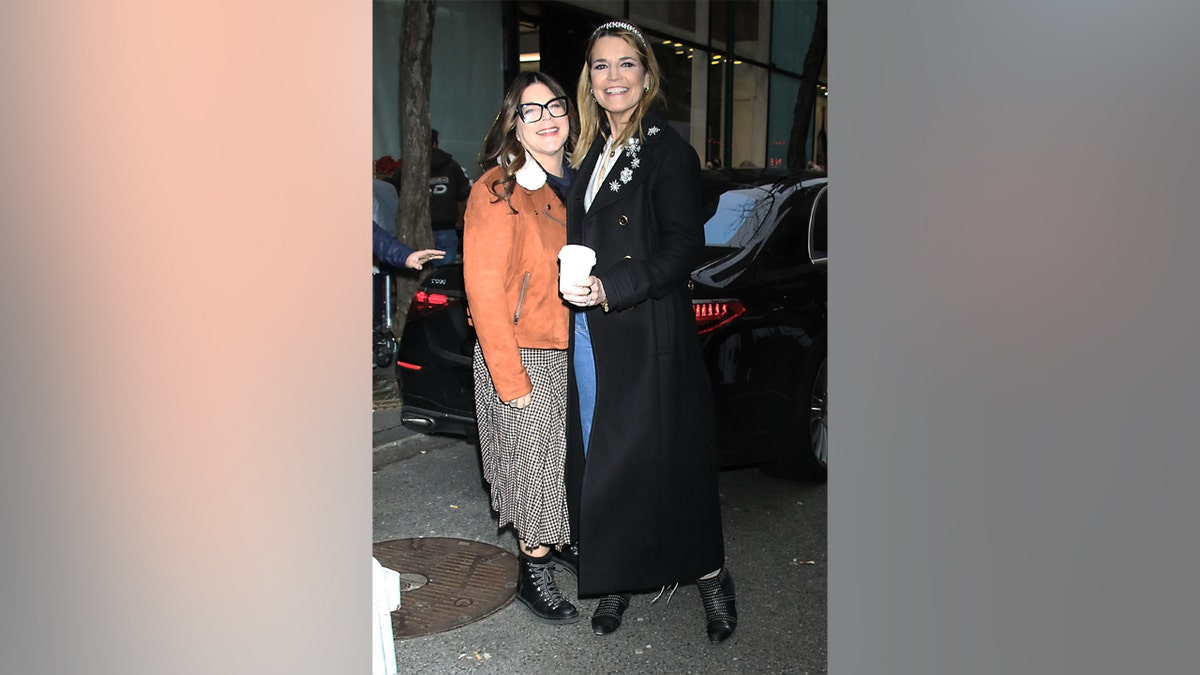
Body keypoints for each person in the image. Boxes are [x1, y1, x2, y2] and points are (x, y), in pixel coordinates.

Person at [559, 19, 738, 643]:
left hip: (645, 328)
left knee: (669, 464)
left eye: (625, 64)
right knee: (605, 462)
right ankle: (616, 577)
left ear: (646, 74)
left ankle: (711, 575)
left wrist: (615, 287)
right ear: (590, 77)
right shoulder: (587, 151)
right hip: (590, 331)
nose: (613, 77)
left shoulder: (668, 150)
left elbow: (684, 248)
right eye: (601, 65)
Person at [461, 72, 581, 624]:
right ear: (515, 124)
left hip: (576, 347)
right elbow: (484, 292)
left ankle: (557, 544)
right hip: (523, 350)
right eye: (531, 111)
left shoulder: (579, 185)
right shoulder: (498, 189)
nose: (547, 117)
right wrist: (509, 380)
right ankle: (533, 571)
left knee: (565, 462)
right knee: (532, 464)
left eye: (554, 105)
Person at [429, 129, 472, 265]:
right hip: (446, 227)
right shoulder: (451, 166)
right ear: (435, 143)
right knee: (444, 274)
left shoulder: (411, 167)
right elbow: (464, 192)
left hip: (419, 228)